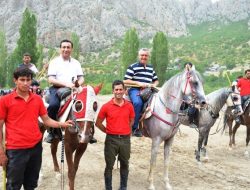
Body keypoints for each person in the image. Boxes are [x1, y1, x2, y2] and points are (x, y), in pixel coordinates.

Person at [0, 68, 73, 190]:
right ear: (15, 81)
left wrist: (62, 124)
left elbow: (46, 120)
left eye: (28, 80)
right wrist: (1, 153)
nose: (25, 83)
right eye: (22, 80)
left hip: (35, 149)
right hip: (15, 150)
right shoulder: (5, 101)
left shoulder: (37, 99)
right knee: (13, 186)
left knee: (31, 185)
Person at [45, 39, 97, 143]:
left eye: (68, 47)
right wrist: (66, 84)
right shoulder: (54, 62)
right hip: (57, 89)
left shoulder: (76, 63)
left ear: (71, 49)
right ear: (60, 49)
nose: (66, 49)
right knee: (53, 106)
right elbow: (51, 79)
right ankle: (52, 131)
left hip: (75, 89)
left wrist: (78, 83)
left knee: (88, 105)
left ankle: (90, 132)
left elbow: (81, 78)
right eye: (63, 47)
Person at [95, 80, 135, 190]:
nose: (118, 91)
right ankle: (108, 188)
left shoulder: (129, 106)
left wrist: (125, 129)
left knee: (125, 164)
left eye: (121, 89)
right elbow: (98, 123)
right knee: (109, 166)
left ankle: (123, 187)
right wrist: (108, 131)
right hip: (111, 140)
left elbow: (131, 120)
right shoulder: (106, 106)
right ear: (113, 91)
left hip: (125, 140)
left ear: (124, 91)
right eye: (116, 89)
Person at [123, 48, 159, 137]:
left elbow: (156, 80)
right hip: (135, 89)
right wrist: (138, 83)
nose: (144, 57)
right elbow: (125, 81)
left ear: (148, 56)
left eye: (146, 55)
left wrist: (153, 85)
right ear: (139, 56)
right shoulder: (133, 67)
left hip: (149, 90)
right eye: (142, 55)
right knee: (138, 103)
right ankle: (135, 128)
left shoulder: (151, 68)